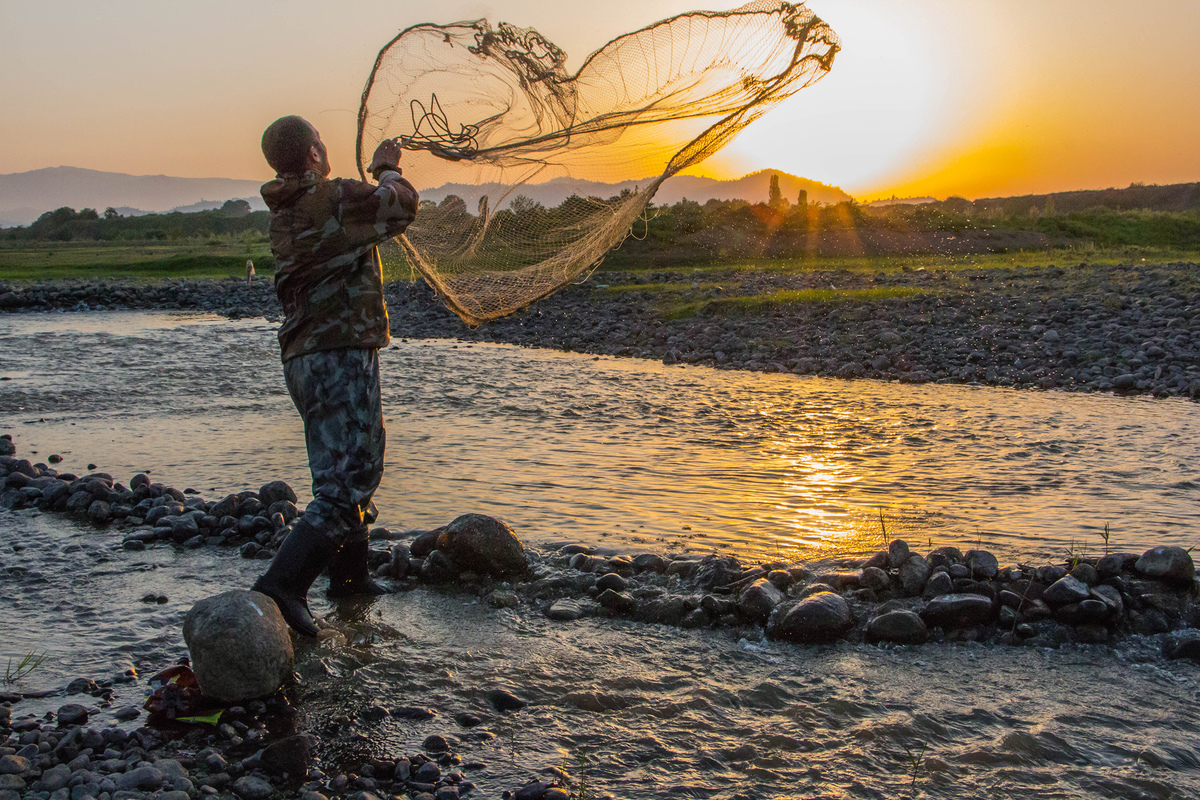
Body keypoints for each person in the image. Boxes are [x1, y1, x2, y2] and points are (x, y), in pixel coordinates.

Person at [252, 115, 418, 636]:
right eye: (321, 144)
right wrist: (387, 167)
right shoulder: (332, 197)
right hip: (337, 351)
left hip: (308, 356)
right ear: (313, 156)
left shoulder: (287, 210)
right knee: (347, 478)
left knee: (353, 466)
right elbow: (401, 205)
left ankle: (350, 582)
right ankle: (283, 586)